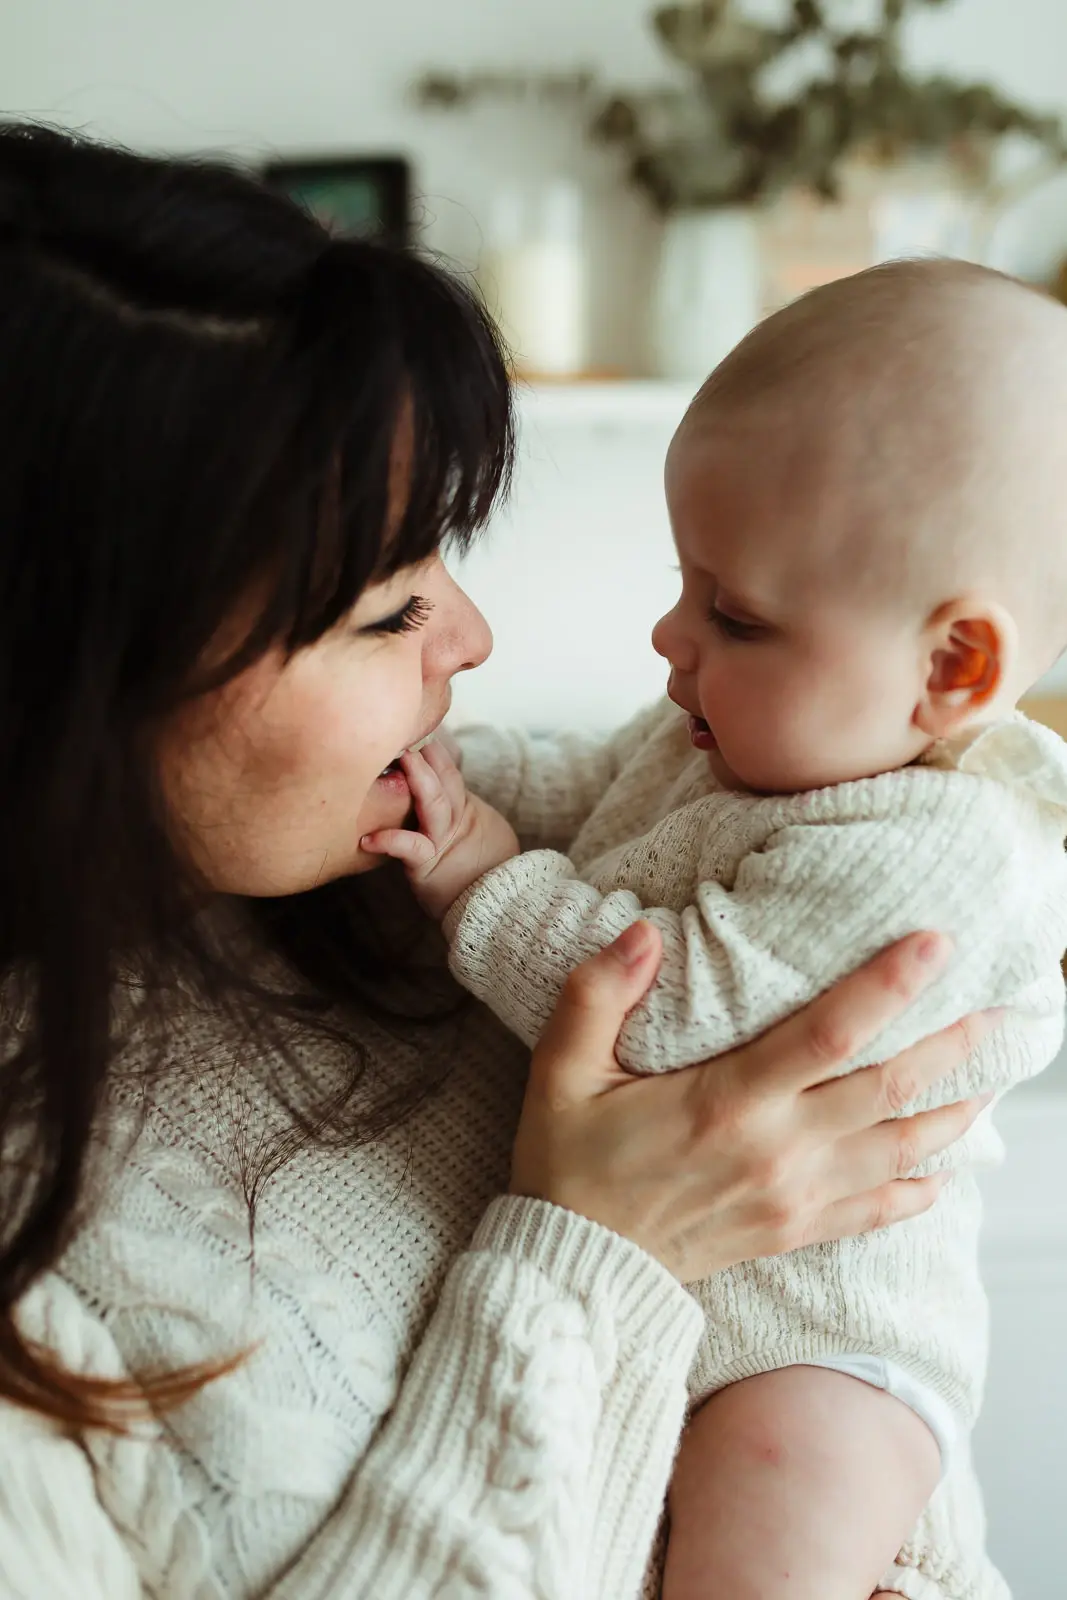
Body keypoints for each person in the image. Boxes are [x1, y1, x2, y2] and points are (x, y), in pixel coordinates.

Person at [0, 124, 991, 1600]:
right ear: (71, 687)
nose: (468, 640)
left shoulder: (402, 887)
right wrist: (599, 1248)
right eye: (386, 610)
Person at [364, 260, 1067, 1600]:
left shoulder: (938, 849)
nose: (669, 635)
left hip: (820, 1357)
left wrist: (475, 880)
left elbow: (676, 1017)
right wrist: (429, 760)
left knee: (763, 1517)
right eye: (684, 582)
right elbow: (580, 788)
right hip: (671, 1312)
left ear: (951, 670)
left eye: (732, 614)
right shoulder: (726, 743)